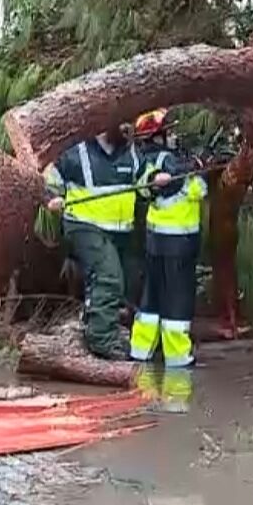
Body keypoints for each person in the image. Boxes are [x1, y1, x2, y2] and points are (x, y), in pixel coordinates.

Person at [44, 125, 171, 360]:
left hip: (120, 230)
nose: (128, 128)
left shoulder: (130, 151)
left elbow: (143, 177)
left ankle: (98, 322)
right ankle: (101, 339)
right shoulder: (77, 151)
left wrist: (154, 180)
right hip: (84, 226)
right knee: (108, 276)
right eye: (122, 124)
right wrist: (52, 197)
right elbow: (51, 179)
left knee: (128, 280)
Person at [130, 108, 207, 369]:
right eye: (168, 131)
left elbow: (144, 186)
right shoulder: (170, 161)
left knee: (151, 299)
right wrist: (197, 170)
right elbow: (197, 189)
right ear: (158, 135)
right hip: (179, 243)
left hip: (156, 242)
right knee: (178, 301)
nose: (173, 136)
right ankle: (177, 357)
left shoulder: (144, 159)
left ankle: (140, 351)